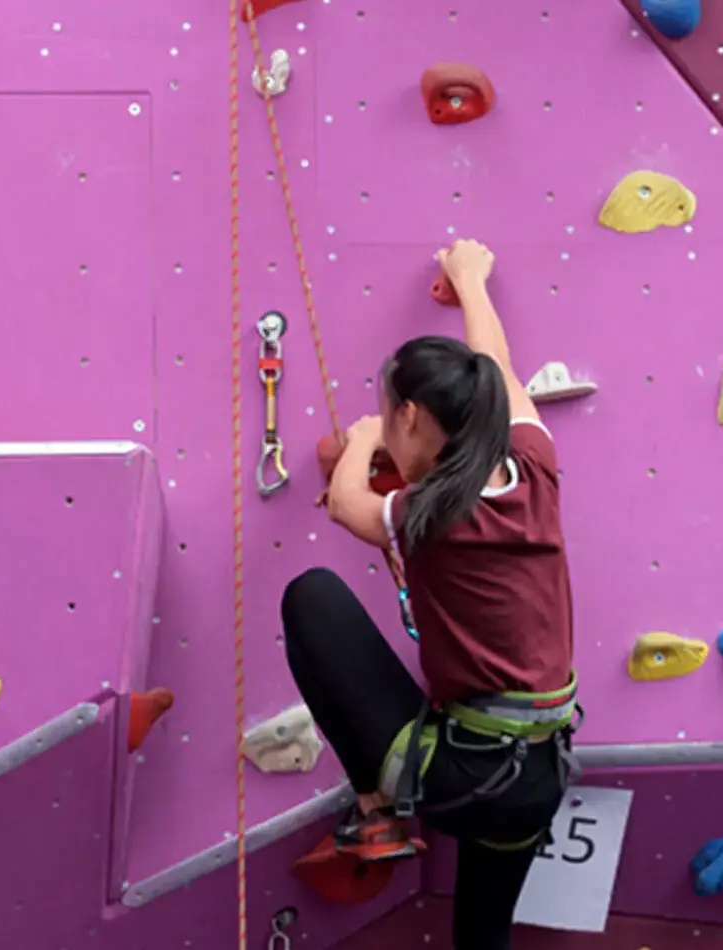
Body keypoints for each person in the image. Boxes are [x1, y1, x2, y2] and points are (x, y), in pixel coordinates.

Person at [283, 238, 579, 950]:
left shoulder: (432, 512)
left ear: (411, 418)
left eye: (388, 417)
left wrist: (358, 444)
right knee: (482, 937)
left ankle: (377, 804)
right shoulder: (531, 460)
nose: (384, 426)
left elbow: (350, 507)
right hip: (536, 779)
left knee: (312, 597)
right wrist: (473, 282)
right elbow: (498, 366)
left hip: (464, 775)